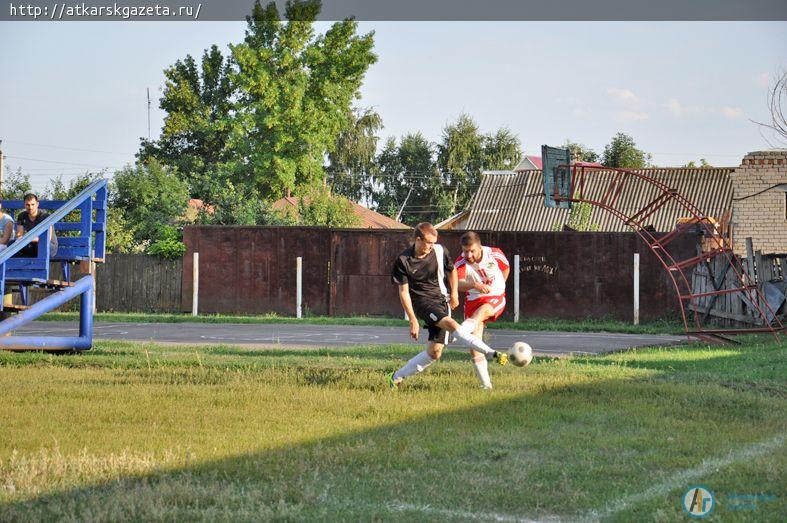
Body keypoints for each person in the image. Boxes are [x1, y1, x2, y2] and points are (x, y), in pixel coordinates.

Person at [387, 222, 507, 390]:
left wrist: (455, 293)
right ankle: (492, 353)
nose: (431, 246)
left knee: (434, 352)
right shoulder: (403, 261)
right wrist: (412, 319)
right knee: (452, 325)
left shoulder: (439, 250)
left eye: (433, 242)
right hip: (423, 304)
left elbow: (451, 271)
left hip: (443, 301)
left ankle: (394, 378)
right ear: (417, 240)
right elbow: (404, 292)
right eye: (428, 242)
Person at [454, 231, 510, 389]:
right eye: (465, 251)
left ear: (480, 247)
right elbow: (457, 284)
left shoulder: (494, 254)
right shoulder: (460, 262)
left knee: (483, 311)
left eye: (472, 251)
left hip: (495, 296)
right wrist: (474, 285)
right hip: (473, 299)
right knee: (474, 345)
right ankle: (487, 386)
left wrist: (499, 287)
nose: (469, 254)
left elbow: (505, 268)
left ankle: (458, 333)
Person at [15, 193, 58, 258]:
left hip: (49, 246)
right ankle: (17, 266)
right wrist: (21, 239)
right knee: (11, 244)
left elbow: (47, 238)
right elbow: (19, 235)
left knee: (40, 245)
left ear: (37, 204)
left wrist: (27, 239)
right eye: (27, 205)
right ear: (24, 205)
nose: (30, 207)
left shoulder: (45, 216)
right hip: (32, 244)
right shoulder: (21, 216)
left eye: (32, 204)